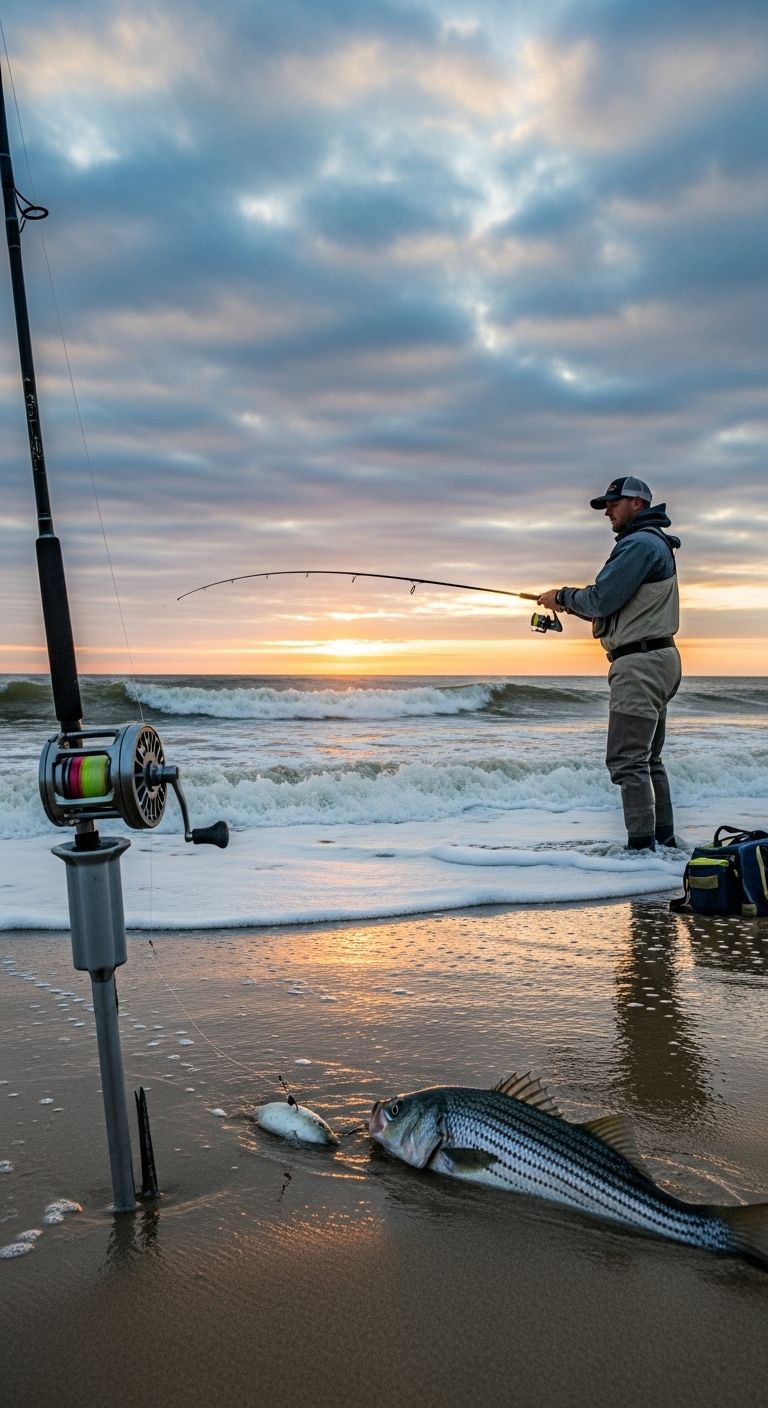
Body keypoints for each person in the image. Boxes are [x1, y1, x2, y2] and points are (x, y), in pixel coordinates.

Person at [537, 476, 682, 851]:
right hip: (660, 658)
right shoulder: (655, 543)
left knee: (626, 760)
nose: (607, 513)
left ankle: (641, 851)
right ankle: (664, 845)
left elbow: (602, 599)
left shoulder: (638, 544)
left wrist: (562, 594)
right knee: (648, 759)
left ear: (637, 503)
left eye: (612, 505)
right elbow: (615, 608)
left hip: (639, 664)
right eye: (605, 506)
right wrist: (569, 604)